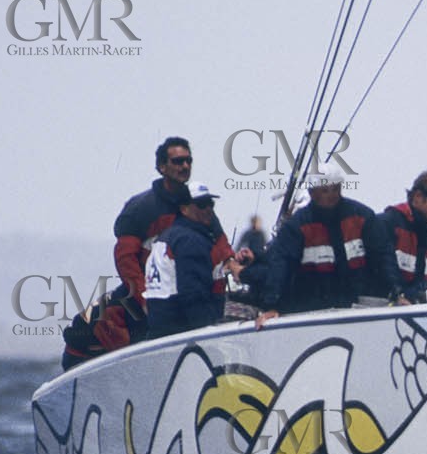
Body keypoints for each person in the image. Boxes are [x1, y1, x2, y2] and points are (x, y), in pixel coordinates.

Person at [112, 136, 245, 312]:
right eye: (178, 161)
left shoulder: (198, 202)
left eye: (188, 161)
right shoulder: (140, 209)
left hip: (190, 288)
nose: (185, 166)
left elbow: (219, 241)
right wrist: (143, 298)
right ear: (162, 167)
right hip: (150, 293)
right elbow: (126, 260)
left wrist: (232, 263)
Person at [255, 169, 397, 326]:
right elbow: (281, 264)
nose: (332, 194)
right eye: (325, 190)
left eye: (336, 189)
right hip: (313, 310)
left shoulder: (362, 217)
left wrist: (397, 291)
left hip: (358, 306)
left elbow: (383, 255)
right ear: (312, 192)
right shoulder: (297, 226)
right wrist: (272, 305)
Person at [144, 183, 244, 339]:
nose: (208, 209)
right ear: (184, 209)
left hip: (160, 327)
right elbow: (193, 295)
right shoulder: (190, 241)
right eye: (201, 205)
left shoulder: (167, 237)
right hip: (181, 330)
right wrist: (209, 334)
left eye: (210, 203)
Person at [379, 170, 427, 304]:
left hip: (417, 315)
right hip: (385, 311)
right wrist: (397, 294)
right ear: (418, 197)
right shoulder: (388, 224)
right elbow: (380, 267)